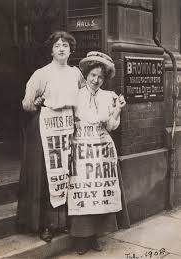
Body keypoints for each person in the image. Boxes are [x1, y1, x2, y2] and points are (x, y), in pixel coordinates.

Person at [17, 31, 83, 242]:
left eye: (65, 45)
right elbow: (27, 103)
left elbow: (82, 97)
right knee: (46, 175)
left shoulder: (76, 74)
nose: (62, 48)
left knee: (65, 174)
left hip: (68, 128)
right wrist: (36, 103)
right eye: (57, 45)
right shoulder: (41, 73)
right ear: (51, 50)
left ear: (71, 49)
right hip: (46, 128)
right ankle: (45, 225)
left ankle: (61, 222)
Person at [68, 51, 126, 255]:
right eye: (93, 75)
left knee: (99, 193)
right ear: (86, 74)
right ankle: (80, 239)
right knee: (82, 192)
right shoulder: (75, 95)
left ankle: (94, 236)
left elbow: (111, 126)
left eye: (101, 77)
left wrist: (117, 109)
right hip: (81, 150)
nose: (96, 80)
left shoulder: (107, 97)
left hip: (102, 151)